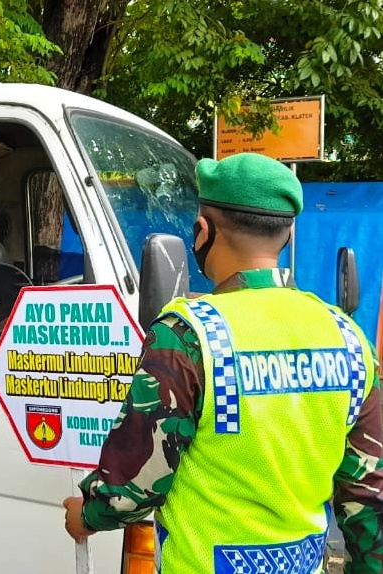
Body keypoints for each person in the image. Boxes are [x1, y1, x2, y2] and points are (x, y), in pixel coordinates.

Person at [63, 153, 383, 573]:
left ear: (202, 231)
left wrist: (85, 513)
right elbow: (369, 493)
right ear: (287, 234)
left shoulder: (189, 335)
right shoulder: (347, 337)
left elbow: (134, 485)